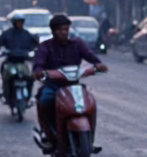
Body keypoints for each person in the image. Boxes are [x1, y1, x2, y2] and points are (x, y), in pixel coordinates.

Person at [32, 14, 107, 144]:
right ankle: (47, 132)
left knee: (90, 103)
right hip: (53, 86)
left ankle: (90, 139)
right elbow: (38, 65)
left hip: (74, 86)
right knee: (44, 101)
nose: (63, 32)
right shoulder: (45, 46)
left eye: (66, 29)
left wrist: (98, 66)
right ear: (53, 31)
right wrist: (40, 73)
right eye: (60, 29)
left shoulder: (77, 44)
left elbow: (91, 57)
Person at [0, 13, 40, 102]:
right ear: (13, 23)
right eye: (18, 22)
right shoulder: (7, 34)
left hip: (22, 62)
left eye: (21, 22)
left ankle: (28, 96)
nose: (19, 24)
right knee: (6, 77)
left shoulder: (26, 34)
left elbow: (35, 44)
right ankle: (6, 93)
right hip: (10, 62)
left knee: (30, 78)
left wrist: (36, 50)